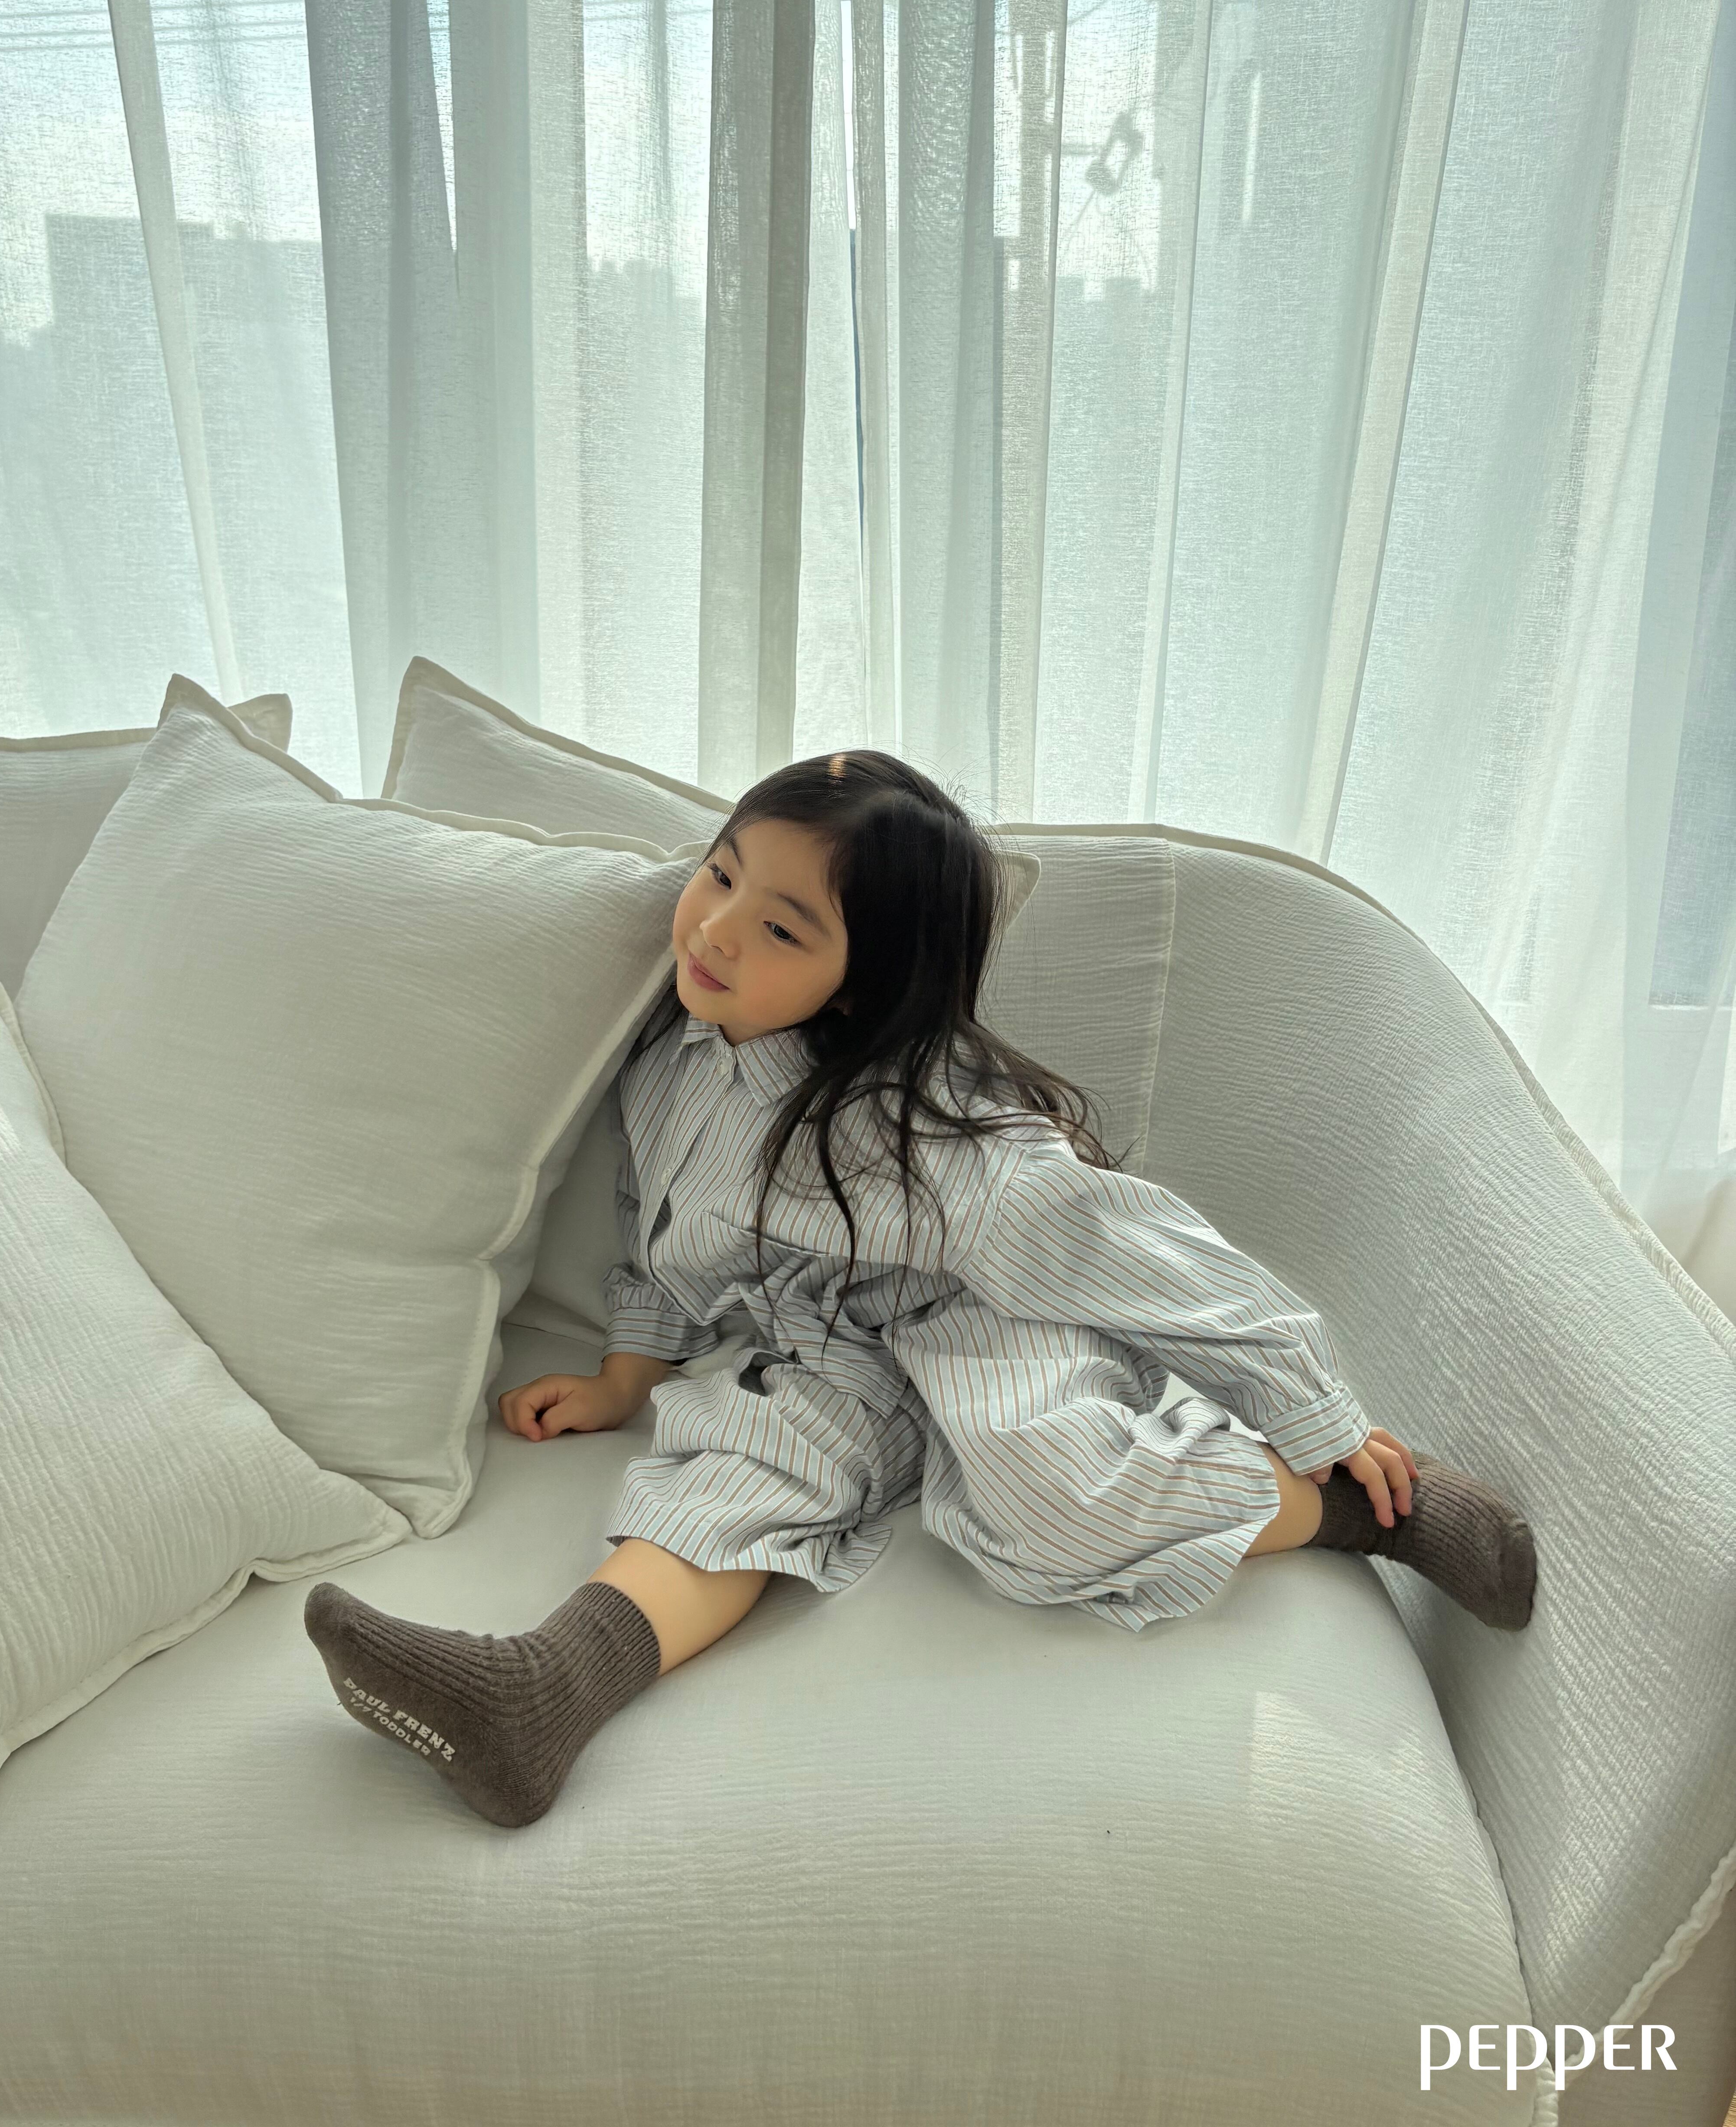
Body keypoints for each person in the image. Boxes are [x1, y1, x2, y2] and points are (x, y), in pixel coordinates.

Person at [304, 750, 1537, 1829]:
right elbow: (659, 1228)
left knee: (1050, 1501)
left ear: (858, 982)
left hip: (981, 1318)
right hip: (817, 1347)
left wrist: (1314, 1412)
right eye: (720, 874)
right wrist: (628, 1372)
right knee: (731, 1469)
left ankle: (1370, 1510)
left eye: (783, 930)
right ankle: (539, 1698)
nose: (717, 930)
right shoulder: (668, 1058)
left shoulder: (926, 1139)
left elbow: (1141, 1252)